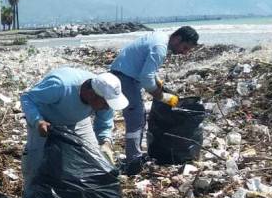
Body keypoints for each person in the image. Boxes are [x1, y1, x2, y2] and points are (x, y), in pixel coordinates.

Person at [109, 26, 199, 172]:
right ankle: (133, 161)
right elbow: (146, 79)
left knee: (137, 117)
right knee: (136, 119)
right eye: (185, 47)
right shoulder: (160, 47)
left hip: (126, 74)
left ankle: (134, 155)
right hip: (125, 78)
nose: (184, 52)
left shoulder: (161, 37)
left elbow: (149, 70)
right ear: (177, 38)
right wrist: (163, 97)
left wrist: (159, 84)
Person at [19, 67, 127, 187]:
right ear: (91, 95)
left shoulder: (103, 96)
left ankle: (74, 194)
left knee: (91, 157)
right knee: (36, 162)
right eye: (105, 104)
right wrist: (37, 121)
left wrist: (105, 142)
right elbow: (27, 98)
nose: (107, 107)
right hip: (45, 121)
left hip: (78, 120)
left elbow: (104, 121)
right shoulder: (60, 86)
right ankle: (31, 196)